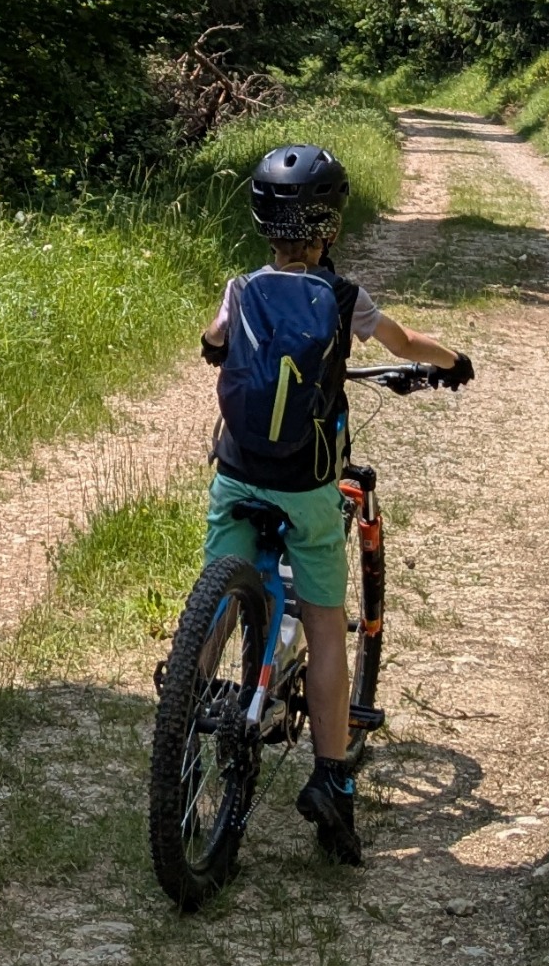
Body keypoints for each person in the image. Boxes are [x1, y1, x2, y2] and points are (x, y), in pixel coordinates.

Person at [200, 141, 470, 869]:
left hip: (238, 469)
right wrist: (452, 362)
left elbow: (214, 342)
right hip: (307, 484)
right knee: (323, 623)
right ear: (329, 226)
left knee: (221, 583)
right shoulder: (344, 297)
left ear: (265, 222)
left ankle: (190, 701)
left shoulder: (241, 287)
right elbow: (405, 341)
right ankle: (330, 776)